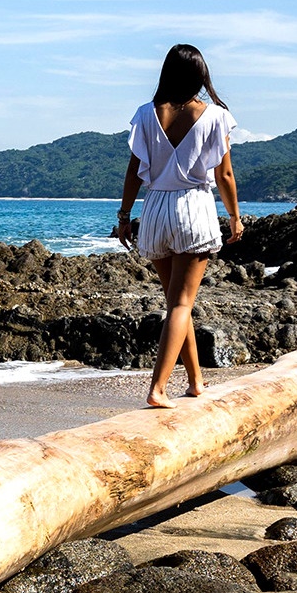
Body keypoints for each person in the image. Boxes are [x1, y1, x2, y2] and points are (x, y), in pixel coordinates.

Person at [112, 43, 243, 408]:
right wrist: (234, 216)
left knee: (175, 303)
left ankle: (197, 381)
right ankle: (157, 388)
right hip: (193, 208)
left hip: (154, 210)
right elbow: (225, 174)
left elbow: (133, 172)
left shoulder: (146, 114)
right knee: (181, 304)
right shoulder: (215, 116)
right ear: (200, 76)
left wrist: (124, 217)